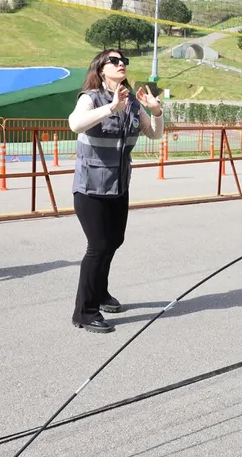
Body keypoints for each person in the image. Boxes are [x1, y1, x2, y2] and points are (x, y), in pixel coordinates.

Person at [68, 49, 165, 334]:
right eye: (114, 60)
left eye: (124, 61)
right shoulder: (91, 97)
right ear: (100, 68)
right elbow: (75, 124)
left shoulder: (133, 103)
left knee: (113, 242)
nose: (121, 64)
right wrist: (111, 108)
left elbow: (155, 133)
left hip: (119, 186)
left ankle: (100, 293)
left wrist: (156, 112)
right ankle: (85, 312)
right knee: (98, 246)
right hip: (90, 188)